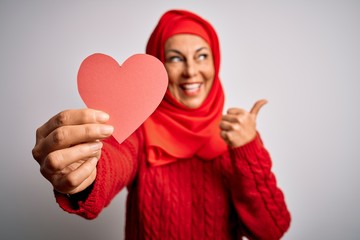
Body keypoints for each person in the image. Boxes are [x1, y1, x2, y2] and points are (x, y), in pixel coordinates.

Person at [32, 9, 291, 240]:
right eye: (176, 58)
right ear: (158, 66)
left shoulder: (237, 137)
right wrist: (85, 172)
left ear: (215, 62)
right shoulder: (140, 131)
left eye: (202, 56)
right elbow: (115, 160)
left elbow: (271, 230)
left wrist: (248, 149)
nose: (191, 71)